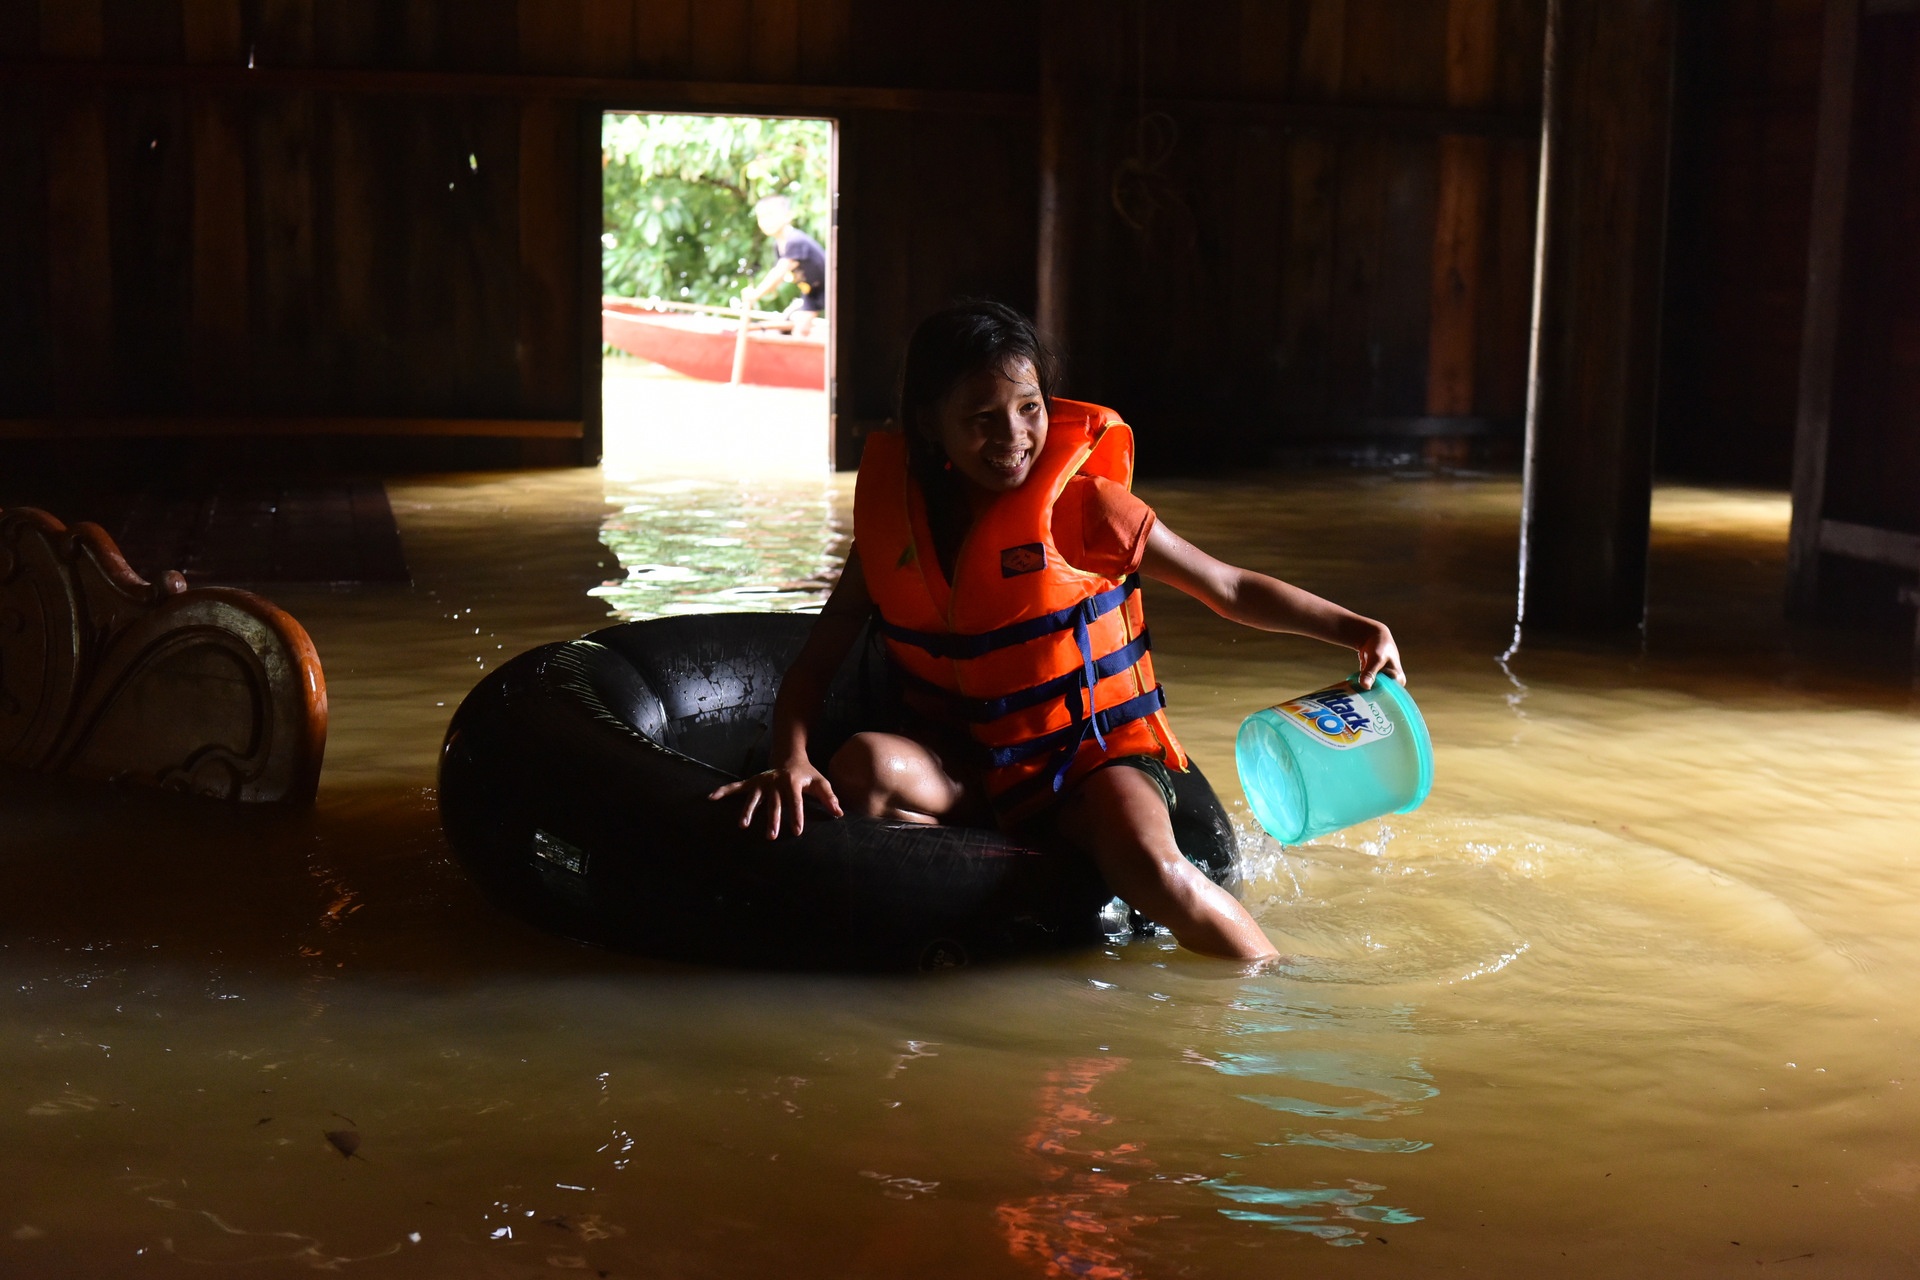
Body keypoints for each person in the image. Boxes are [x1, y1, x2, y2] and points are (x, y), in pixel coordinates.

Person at [708, 302, 1404, 962]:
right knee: (860, 767)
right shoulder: (896, 528)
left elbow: (1227, 588)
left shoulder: (1086, 507)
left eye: (1029, 409)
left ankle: (1273, 989)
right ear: (929, 425)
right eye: (981, 417)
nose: (1013, 438)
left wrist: (1356, 628)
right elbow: (814, 664)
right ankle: (987, 896)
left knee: (1155, 870)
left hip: (1087, 761)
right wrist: (791, 761)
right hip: (966, 771)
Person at [743, 195, 826, 336]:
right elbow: (780, 277)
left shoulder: (795, 240)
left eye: (771, 215)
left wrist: (755, 294)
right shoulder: (779, 245)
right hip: (811, 293)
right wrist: (770, 290)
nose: (766, 221)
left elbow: (780, 271)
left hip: (830, 288)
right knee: (799, 329)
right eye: (761, 217)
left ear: (788, 216)